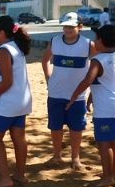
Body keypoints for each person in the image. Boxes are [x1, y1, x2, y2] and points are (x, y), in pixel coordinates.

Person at [66, 25, 115, 187]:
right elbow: (104, 80)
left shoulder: (97, 60)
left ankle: (108, 177)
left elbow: (88, 80)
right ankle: (112, 172)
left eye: (96, 38)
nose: (94, 42)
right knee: (113, 140)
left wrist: (73, 97)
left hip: (106, 108)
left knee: (104, 143)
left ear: (101, 40)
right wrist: (90, 98)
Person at [0, 15, 32, 187]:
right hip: (21, 100)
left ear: (1, 32)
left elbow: (7, 81)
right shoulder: (16, 47)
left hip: (8, 102)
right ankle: (19, 174)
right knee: (18, 138)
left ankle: (5, 178)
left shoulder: (3, 51)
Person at [41, 12, 95, 170]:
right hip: (56, 93)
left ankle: (75, 158)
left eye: (71, 26)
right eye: (65, 26)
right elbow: (45, 60)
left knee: (76, 128)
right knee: (55, 127)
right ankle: (57, 156)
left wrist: (92, 85)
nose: (67, 29)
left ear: (80, 27)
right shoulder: (55, 41)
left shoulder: (87, 44)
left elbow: (98, 64)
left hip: (78, 96)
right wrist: (48, 78)